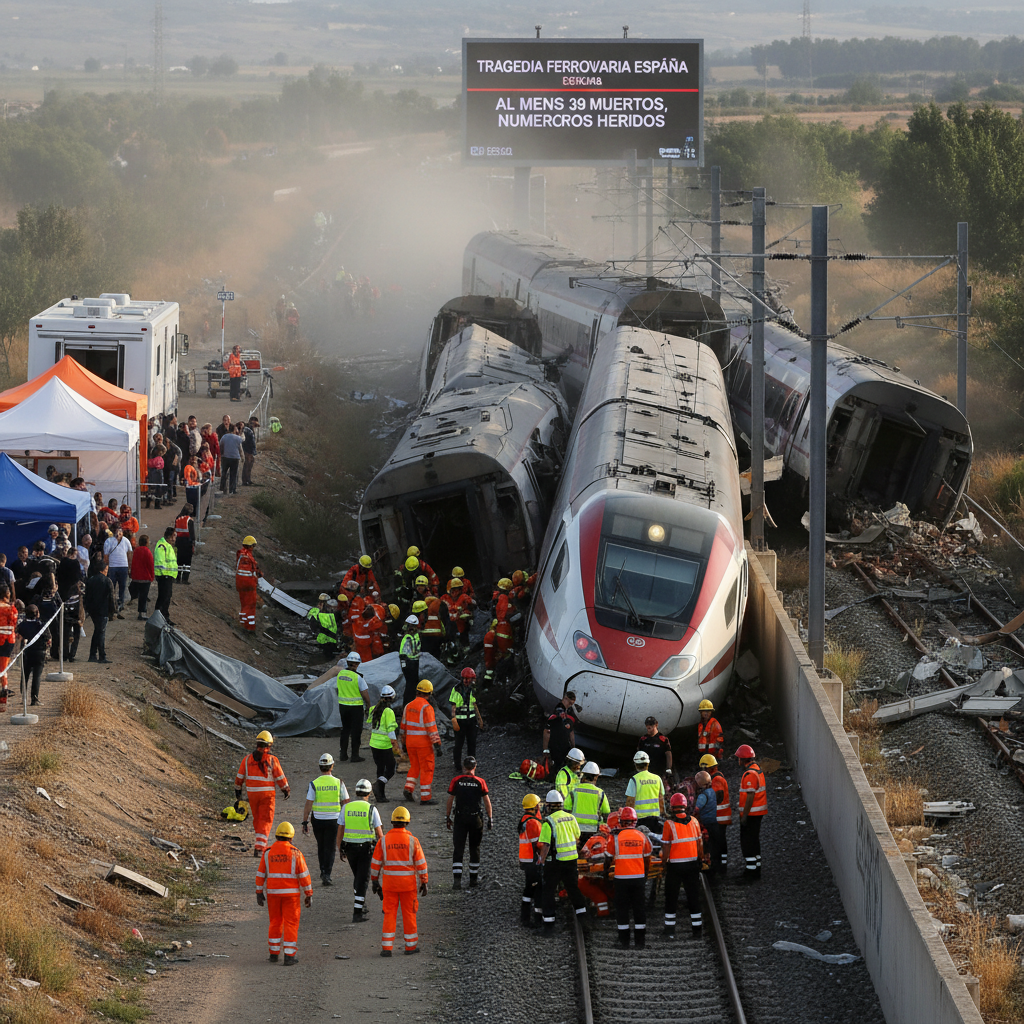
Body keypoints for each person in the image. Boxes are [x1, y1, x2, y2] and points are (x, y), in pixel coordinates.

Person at [370, 805, 428, 957]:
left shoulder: (384, 841)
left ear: (392, 822)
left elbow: (375, 863)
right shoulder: (412, 841)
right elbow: (421, 863)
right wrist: (424, 881)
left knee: (389, 914)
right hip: (408, 885)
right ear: (407, 822)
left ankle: (386, 948)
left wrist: (374, 881)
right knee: (409, 914)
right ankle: (410, 947)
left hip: (390, 885)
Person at [255, 821, 312, 966]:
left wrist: (259, 892)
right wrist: (308, 894)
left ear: (276, 836)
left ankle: (274, 954)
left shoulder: (268, 853)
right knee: (291, 923)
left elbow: (261, 874)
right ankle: (289, 956)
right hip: (291, 896)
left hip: (273, 894)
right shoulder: (295, 853)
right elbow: (304, 876)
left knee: (275, 921)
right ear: (291, 838)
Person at [536, 789, 586, 934]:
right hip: (571, 860)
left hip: (555, 863)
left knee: (549, 891)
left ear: (549, 806)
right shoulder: (571, 818)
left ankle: (549, 925)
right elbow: (577, 836)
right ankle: (583, 918)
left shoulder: (548, 822)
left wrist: (541, 862)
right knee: (573, 889)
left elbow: (545, 845)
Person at [235, 730, 290, 858]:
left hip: (252, 795)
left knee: (258, 819)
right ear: (269, 745)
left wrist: (238, 791)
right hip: (267, 796)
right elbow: (280, 777)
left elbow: (239, 777)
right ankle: (259, 848)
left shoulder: (247, 759)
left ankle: (260, 842)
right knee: (265, 820)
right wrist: (285, 789)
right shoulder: (272, 760)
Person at [605, 805, 653, 948]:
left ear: (621, 822)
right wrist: (644, 875)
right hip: (638, 878)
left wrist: (605, 872)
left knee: (622, 910)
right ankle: (640, 942)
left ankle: (624, 941)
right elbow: (647, 858)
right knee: (639, 909)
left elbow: (608, 858)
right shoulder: (642, 836)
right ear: (635, 821)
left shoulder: (615, 838)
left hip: (621, 879)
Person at [339, 777, 384, 922]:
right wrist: (382, 851)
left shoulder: (347, 807)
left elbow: (341, 828)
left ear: (356, 792)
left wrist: (339, 848)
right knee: (363, 880)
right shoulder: (372, 809)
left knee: (358, 877)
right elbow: (379, 833)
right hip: (366, 850)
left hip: (350, 848)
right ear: (369, 793)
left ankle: (361, 903)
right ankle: (357, 912)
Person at [302, 752, 349, 886]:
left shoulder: (314, 784)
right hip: (334, 820)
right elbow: (346, 802)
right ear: (332, 766)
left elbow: (308, 804)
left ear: (320, 766)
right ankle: (326, 873)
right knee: (330, 847)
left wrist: (305, 821)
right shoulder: (339, 783)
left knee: (321, 846)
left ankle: (323, 870)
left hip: (318, 819)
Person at [445, 756, 493, 889]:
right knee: (474, 848)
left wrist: (447, 817)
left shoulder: (456, 781)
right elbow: (487, 802)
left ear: (463, 767)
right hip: (475, 819)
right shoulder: (480, 782)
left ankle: (457, 881)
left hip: (460, 819)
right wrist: (490, 818)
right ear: (475, 767)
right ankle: (473, 880)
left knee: (458, 849)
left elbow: (450, 800)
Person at [661, 792, 703, 939]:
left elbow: (666, 847)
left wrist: (664, 863)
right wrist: (701, 859)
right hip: (692, 865)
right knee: (693, 897)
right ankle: (697, 931)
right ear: (685, 806)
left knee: (671, 897)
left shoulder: (669, 824)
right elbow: (700, 844)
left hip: (675, 867)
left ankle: (670, 931)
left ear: (672, 807)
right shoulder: (695, 822)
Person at [400, 680, 442, 805]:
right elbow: (431, 728)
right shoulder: (426, 707)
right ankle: (426, 797)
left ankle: (408, 788)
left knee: (415, 766)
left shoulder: (408, 706)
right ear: (429, 693)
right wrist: (437, 744)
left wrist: (403, 744)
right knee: (427, 768)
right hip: (423, 744)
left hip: (410, 743)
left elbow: (403, 727)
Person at [736, 744, 767, 882]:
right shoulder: (757, 770)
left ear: (743, 759)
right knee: (754, 841)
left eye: (738, 758)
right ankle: (756, 869)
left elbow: (750, 796)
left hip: (752, 814)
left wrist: (744, 816)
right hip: (757, 813)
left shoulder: (749, 774)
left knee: (747, 842)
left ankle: (750, 872)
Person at [369, 685, 401, 803]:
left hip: (374, 744)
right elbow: (391, 732)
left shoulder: (374, 708)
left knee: (380, 768)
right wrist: (396, 748)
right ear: (392, 697)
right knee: (391, 768)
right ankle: (378, 785)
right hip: (384, 745)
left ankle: (380, 795)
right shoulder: (389, 712)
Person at [336, 650, 370, 762]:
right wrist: (369, 705)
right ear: (357, 664)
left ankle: (343, 754)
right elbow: (365, 693)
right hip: (356, 708)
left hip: (343, 706)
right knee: (356, 732)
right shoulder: (358, 677)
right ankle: (354, 755)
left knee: (345, 730)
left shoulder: (340, 674)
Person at [567, 761, 610, 849]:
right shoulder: (600, 793)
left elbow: (566, 809)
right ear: (596, 777)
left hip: (575, 829)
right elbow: (606, 812)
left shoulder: (574, 791)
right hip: (593, 830)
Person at [449, 667, 484, 773]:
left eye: (468, 678)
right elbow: (453, 706)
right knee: (459, 744)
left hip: (471, 720)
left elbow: (475, 704)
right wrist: (453, 719)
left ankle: (471, 764)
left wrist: (479, 719)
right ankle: (457, 765)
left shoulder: (474, 689)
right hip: (460, 720)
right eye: (464, 678)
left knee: (471, 743)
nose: (466, 681)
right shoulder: (457, 689)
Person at [702, 754, 732, 876]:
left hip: (718, 817)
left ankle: (718, 866)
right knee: (719, 841)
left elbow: (718, 796)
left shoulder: (716, 779)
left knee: (716, 842)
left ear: (708, 768)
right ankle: (721, 865)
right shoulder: (717, 777)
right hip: (720, 816)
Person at [518, 793, 544, 926]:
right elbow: (538, 844)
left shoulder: (524, 819)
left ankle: (525, 916)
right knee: (538, 887)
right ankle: (537, 918)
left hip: (525, 859)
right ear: (535, 806)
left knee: (529, 887)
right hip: (533, 860)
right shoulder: (533, 822)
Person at [17, 604, 50, 707]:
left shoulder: (22, 625)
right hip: (39, 653)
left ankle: (23, 698)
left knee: (25, 675)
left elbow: (19, 637)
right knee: (36, 676)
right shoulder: (41, 625)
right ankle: (34, 699)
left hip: (26, 652)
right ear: (37, 614)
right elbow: (48, 639)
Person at [624, 750, 665, 831]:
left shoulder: (634, 780)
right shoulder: (657, 778)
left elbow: (630, 801)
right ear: (648, 764)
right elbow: (661, 799)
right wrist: (662, 814)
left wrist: (626, 818)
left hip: (639, 819)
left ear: (635, 764)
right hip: (655, 818)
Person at [84, 558, 115, 663]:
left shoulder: (91, 580)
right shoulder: (107, 581)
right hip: (103, 610)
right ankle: (102, 656)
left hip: (93, 610)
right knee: (101, 633)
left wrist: (87, 609)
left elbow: (87, 596)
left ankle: (93, 655)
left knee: (97, 631)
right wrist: (113, 611)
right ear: (104, 570)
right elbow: (111, 598)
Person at [542, 691, 578, 773]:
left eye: (572, 704)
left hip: (563, 745)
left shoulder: (569, 713)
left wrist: (573, 747)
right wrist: (545, 749)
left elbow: (571, 732)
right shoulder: (556, 713)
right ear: (564, 699)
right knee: (557, 767)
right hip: (556, 745)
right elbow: (547, 731)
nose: (570, 705)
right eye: (569, 703)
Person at [694, 770, 720, 877]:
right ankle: (716, 867)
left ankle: (708, 867)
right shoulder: (713, 792)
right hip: (715, 822)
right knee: (714, 846)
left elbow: (696, 810)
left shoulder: (702, 796)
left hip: (706, 824)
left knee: (707, 846)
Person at [103, 526, 132, 613]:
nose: (118, 534)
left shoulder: (126, 541)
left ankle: (121, 602)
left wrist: (129, 566)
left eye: (120, 532)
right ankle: (111, 603)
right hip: (112, 567)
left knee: (122, 586)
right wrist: (108, 565)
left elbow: (129, 553)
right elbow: (105, 556)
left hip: (123, 566)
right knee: (112, 586)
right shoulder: (108, 541)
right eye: (117, 532)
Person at [235, 536, 262, 632]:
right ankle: (250, 627)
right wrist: (259, 575)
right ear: (251, 546)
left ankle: (242, 622)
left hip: (239, 584)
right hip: (249, 584)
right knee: (250, 605)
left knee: (243, 603)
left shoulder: (240, 554)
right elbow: (255, 570)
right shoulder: (249, 556)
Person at [637, 716, 674, 780]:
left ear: (656, 725)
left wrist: (668, 768)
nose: (649, 728)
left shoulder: (663, 739)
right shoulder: (643, 739)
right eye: (647, 726)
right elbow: (638, 753)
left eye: (651, 725)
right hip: (646, 769)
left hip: (659, 770)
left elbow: (668, 754)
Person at [153, 527, 178, 624]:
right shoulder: (162, 546)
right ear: (171, 537)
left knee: (167, 597)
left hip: (168, 576)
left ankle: (164, 617)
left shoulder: (167, 546)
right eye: (174, 536)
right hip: (164, 576)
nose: (175, 538)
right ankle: (160, 618)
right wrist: (164, 574)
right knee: (163, 597)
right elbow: (160, 562)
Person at [129, 534, 155, 620]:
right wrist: (152, 576)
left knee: (140, 595)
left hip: (137, 577)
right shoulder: (148, 552)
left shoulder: (136, 551)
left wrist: (132, 574)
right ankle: (142, 613)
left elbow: (133, 564)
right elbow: (150, 565)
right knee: (144, 596)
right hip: (145, 578)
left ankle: (140, 612)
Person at [307, 593, 339, 659]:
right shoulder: (317, 613)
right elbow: (314, 625)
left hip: (330, 639)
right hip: (325, 639)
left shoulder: (333, 615)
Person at [0, 584, 16, 710]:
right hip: (8, 641)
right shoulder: (12, 608)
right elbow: (14, 624)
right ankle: (4, 692)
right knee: (3, 668)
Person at [398, 615, 421, 696]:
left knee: (409, 685)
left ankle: (408, 701)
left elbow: (402, 653)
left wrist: (403, 665)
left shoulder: (407, 637)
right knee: (413, 683)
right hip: (415, 662)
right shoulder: (416, 636)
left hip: (409, 663)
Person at [63, 579, 85, 662]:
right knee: (76, 637)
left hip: (68, 618)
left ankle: (65, 655)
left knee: (65, 637)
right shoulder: (79, 599)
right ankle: (72, 655)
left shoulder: (67, 599)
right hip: (77, 618)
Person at [698, 699, 725, 764]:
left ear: (711, 712)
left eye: (708, 711)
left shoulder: (714, 724)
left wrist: (716, 752)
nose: (706, 713)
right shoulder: (701, 725)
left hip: (714, 756)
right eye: (704, 711)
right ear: (701, 712)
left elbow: (720, 738)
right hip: (704, 755)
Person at [219, 423, 243, 494]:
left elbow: (221, 445)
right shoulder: (238, 438)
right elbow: (240, 448)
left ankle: (222, 488)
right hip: (235, 458)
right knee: (233, 474)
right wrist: (242, 457)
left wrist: (222, 453)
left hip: (225, 457)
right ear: (234, 430)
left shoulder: (224, 436)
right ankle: (232, 489)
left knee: (224, 473)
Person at [241, 417, 259, 487]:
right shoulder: (247, 429)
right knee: (247, 465)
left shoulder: (250, 428)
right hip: (247, 449)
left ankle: (248, 479)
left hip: (250, 449)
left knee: (250, 464)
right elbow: (245, 440)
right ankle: (245, 481)